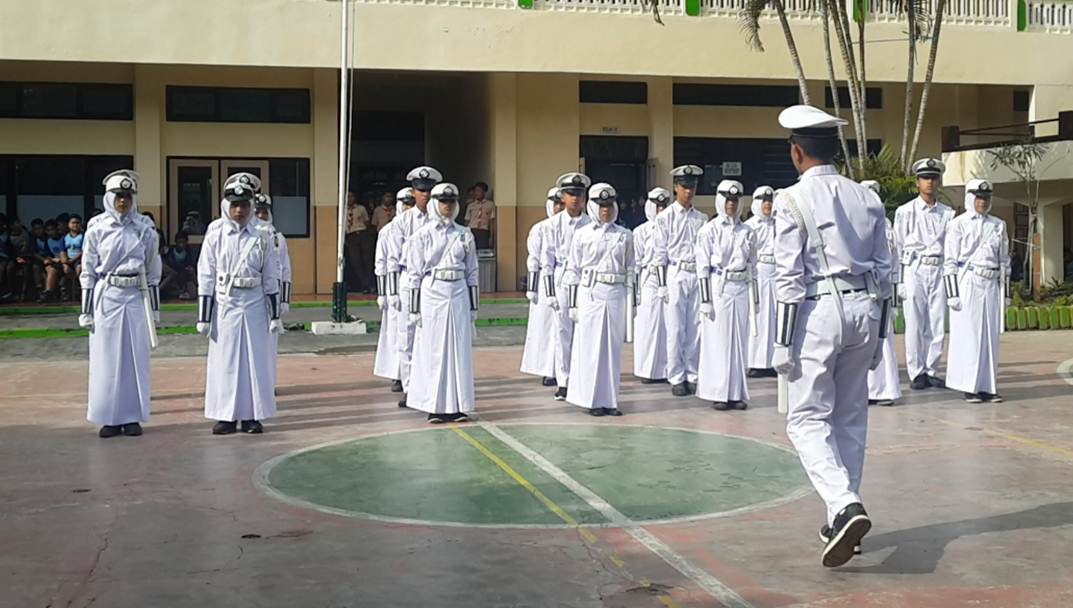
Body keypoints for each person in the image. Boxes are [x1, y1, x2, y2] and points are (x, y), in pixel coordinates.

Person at [771, 105, 892, 568]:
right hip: (865, 308)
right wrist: (880, 337)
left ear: (797, 152)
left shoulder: (791, 200)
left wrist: (781, 344)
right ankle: (844, 517)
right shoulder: (866, 197)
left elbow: (788, 279)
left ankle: (843, 503)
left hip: (819, 310)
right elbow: (886, 273)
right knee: (850, 418)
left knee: (804, 420)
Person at [196, 172, 281, 435]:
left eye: (244, 204)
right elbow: (206, 273)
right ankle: (226, 416)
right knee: (226, 360)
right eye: (234, 204)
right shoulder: (216, 232)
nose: (239, 210)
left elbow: (271, 275)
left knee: (255, 360)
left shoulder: (262, 233)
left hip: (254, 301)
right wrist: (203, 316)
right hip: (226, 302)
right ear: (226, 205)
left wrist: (275, 314)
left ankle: (252, 416)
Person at [78, 170, 161, 438]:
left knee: (135, 358)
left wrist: (154, 310)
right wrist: (86, 310)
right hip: (108, 295)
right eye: (118, 196)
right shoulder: (97, 228)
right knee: (107, 358)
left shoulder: (145, 229)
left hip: (136, 295)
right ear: (109, 197)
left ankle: (132, 417)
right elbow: (88, 270)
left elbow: (153, 270)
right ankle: (109, 418)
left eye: (128, 196)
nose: (123, 201)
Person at [404, 182, 479, 423]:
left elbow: (472, 272)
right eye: (443, 202)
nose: (448, 206)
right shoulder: (422, 235)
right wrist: (414, 309)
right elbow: (414, 275)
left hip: (457, 291)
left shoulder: (464, 234)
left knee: (459, 348)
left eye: (451, 202)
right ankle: (434, 405)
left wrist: (473, 307)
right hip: (433, 291)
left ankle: (458, 404)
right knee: (433, 349)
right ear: (435, 204)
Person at [563, 183, 634, 417]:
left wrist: (632, 302)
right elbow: (572, 271)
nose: (606, 210)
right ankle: (591, 399)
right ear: (593, 206)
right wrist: (572, 304)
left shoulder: (624, 236)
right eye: (601, 206)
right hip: (591, 293)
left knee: (612, 349)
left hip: (615, 292)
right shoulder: (582, 235)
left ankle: (610, 400)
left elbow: (631, 269)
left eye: (609, 205)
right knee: (591, 347)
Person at [944, 179, 1010, 403]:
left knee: (989, 336)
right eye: (978, 197)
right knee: (969, 335)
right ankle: (969, 386)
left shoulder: (998, 225)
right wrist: (952, 293)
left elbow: (1004, 262)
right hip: (968, 280)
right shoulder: (958, 224)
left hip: (990, 282)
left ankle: (988, 387)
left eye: (986, 198)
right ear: (970, 198)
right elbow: (950, 261)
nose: (982, 202)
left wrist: (1006, 294)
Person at [894, 158, 953, 391]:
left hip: (938, 267)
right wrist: (898, 280)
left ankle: (931, 369)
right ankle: (916, 371)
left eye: (933, 178)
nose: (929, 182)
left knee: (937, 322)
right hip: (914, 268)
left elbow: (950, 245)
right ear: (917, 182)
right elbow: (897, 248)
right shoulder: (905, 211)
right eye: (925, 178)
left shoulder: (947, 213)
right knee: (915, 322)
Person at [696, 180, 755, 411]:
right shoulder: (709, 230)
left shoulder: (748, 232)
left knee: (738, 342)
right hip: (718, 285)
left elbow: (753, 265)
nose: (731, 204)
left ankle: (736, 392)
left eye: (735, 200)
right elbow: (702, 267)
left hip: (739, 287)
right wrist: (705, 300)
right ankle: (718, 392)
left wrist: (755, 299)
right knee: (718, 341)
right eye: (728, 200)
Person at [652, 165, 708, 397]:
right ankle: (675, 375)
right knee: (675, 328)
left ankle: (692, 373)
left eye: (692, 187)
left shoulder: (702, 218)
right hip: (675, 273)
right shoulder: (665, 218)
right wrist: (661, 284)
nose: (689, 191)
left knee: (695, 327)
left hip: (695, 273)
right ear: (676, 188)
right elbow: (659, 254)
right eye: (684, 187)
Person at [389, 166, 442, 408]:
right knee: (407, 336)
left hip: (432, 283)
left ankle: (431, 386)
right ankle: (410, 388)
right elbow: (392, 259)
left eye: (429, 190)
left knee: (432, 335)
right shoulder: (401, 222)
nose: (426, 195)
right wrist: (390, 293)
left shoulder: (442, 220)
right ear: (413, 192)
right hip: (407, 281)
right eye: (421, 190)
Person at [541, 172, 593, 401]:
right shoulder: (553, 225)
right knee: (563, 332)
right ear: (562, 196)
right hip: (562, 277)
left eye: (579, 194)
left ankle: (584, 378)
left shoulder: (592, 223)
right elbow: (547, 262)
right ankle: (564, 380)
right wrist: (550, 292)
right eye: (571, 194)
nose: (575, 198)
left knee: (586, 331)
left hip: (585, 279)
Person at [861, 180, 901, 407]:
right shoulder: (853, 223)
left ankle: (886, 389)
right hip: (862, 288)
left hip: (882, 289)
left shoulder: (886, 225)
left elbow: (893, 263)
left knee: (884, 340)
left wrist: (894, 297)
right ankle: (864, 391)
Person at [520, 187, 564, 387]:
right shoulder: (540, 228)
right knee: (547, 327)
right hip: (545, 285)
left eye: (561, 203)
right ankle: (549, 369)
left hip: (566, 280)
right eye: (555, 203)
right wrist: (532, 287)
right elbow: (533, 259)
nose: (558, 207)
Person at [373, 188, 413, 392]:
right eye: (404, 203)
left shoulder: (420, 229)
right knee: (396, 332)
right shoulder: (387, 231)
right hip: (393, 288)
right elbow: (381, 264)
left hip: (412, 287)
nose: (407, 208)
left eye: (411, 203)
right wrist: (383, 293)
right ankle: (397, 374)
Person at [632, 188, 671, 384]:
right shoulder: (641, 231)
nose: (661, 209)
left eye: (664, 205)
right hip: (649, 279)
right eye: (657, 205)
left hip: (669, 277)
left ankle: (666, 369)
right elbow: (636, 264)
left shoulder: (672, 226)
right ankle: (647, 370)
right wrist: (635, 292)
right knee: (648, 324)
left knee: (668, 325)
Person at [746, 186, 778, 378]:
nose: (767, 205)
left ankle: (773, 360)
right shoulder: (751, 226)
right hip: (759, 272)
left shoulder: (779, 224)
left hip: (777, 271)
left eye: (770, 201)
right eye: (764, 201)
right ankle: (757, 362)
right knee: (759, 317)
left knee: (774, 316)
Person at [254, 193, 293, 316]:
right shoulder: (245, 238)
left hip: (273, 294)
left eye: (265, 212)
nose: (261, 216)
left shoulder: (278, 238)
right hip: (253, 295)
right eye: (257, 212)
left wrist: (284, 300)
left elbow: (285, 269)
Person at [345, 192, 373, 292]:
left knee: (367, 260)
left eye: (351, 196)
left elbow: (367, 222)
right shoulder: (343, 210)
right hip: (350, 236)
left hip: (362, 234)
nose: (350, 199)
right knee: (355, 262)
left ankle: (370, 285)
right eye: (348, 197)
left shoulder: (361, 208)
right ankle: (363, 285)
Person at [160, 231, 198, 299]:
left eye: (183, 243)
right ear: (175, 242)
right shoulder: (169, 250)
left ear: (186, 242)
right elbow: (166, 261)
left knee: (190, 273)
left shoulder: (188, 251)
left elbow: (191, 263)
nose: (181, 245)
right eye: (179, 242)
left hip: (184, 273)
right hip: (172, 271)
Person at [37, 220, 67, 302]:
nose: (50, 232)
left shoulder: (64, 239)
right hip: (54, 262)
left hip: (65, 262)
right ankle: (48, 292)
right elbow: (47, 254)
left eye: (52, 230)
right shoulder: (48, 241)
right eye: (48, 230)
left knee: (52, 270)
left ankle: (48, 292)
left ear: (57, 229)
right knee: (49, 268)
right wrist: (50, 259)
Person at [464, 181, 496, 250]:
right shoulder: (470, 205)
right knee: (470, 250)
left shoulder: (490, 205)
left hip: (484, 232)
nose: (476, 193)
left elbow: (491, 221)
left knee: (482, 251)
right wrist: (464, 234)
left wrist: (491, 237)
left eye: (478, 191)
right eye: (475, 191)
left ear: (484, 192)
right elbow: (467, 221)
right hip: (471, 230)